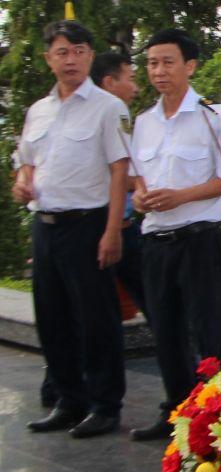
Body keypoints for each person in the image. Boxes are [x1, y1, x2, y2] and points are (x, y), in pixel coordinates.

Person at [13, 20, 130, 438]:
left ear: (90, 56)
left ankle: (104, 404)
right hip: (45, 225)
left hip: (89, 224)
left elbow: (120, 171)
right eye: (62, 52)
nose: (71, 60)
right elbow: (26, 160)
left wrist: (113, 230)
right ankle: (69, 399)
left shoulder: (107, 107)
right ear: (48, 59)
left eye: (79, 51)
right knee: (52, 317)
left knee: (97, 318)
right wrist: (22, 181)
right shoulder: (37, 111)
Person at [128, 29, 221, 442]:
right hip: (156, 240)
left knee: (209, 329)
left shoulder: (211, 118)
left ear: (189, 66)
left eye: (167, 62)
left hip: (197, 238)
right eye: (153, 63)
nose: (159, 71)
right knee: (166, 329)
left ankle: (219, 416)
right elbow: (141, 177)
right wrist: (140, 198)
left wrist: (181, 196)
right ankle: (175, 412)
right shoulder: (143, 122)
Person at [90, 51, 148, 316]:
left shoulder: (116, 113)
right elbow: (118, 175)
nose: (136, 88)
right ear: (109, 82)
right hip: (107, 229)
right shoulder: (111, 112)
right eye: (131, 78)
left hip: (123, 227)